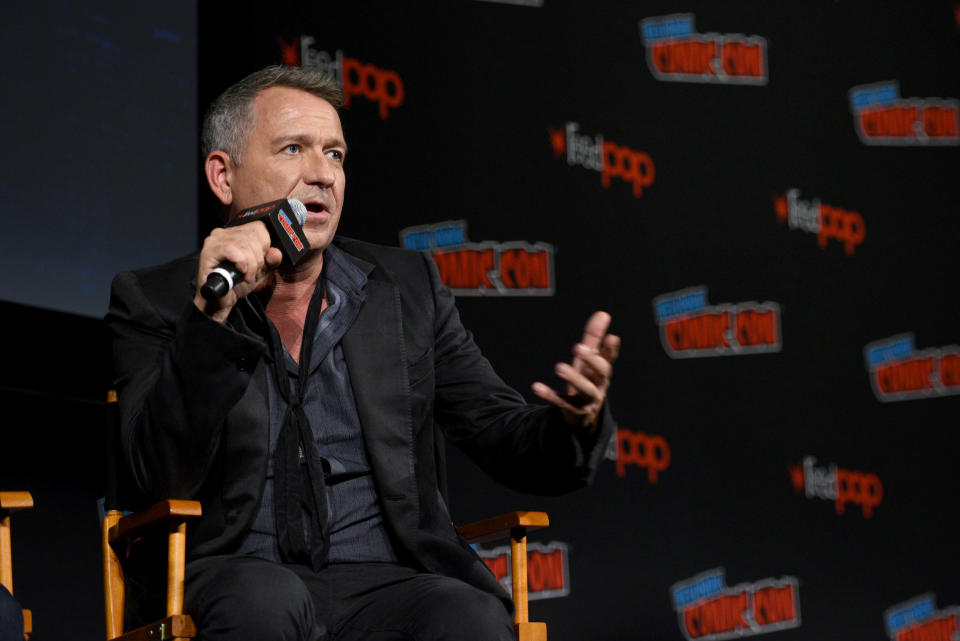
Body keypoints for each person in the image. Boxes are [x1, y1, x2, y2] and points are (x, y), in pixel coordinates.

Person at [107, 65, 619, 641]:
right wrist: (210, 317)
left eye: (335, 155)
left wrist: (574, 423)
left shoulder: (405, 290)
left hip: (385, 579)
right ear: (224, 177)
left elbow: (503, 434)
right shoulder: (157, 299)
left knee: (465, 616)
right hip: (235, 573)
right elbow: (154, 474)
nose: (321, 175)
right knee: (264, 604)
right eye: (293, 149)